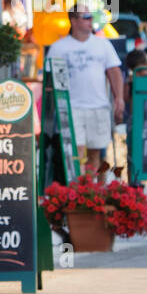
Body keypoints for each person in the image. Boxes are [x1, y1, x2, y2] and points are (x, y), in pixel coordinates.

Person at [47, 11, 124, 183]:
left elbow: (114, 71)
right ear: (73, 20)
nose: (91, 21)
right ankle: (81, 191)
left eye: (91, 17)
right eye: (86, 17)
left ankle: (94, 191)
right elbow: (50, 79)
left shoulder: (102, 45)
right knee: (77, 152)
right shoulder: (59, 47)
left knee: (96, 152)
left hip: (98, 105)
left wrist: (119, 98)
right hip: (71, 106)